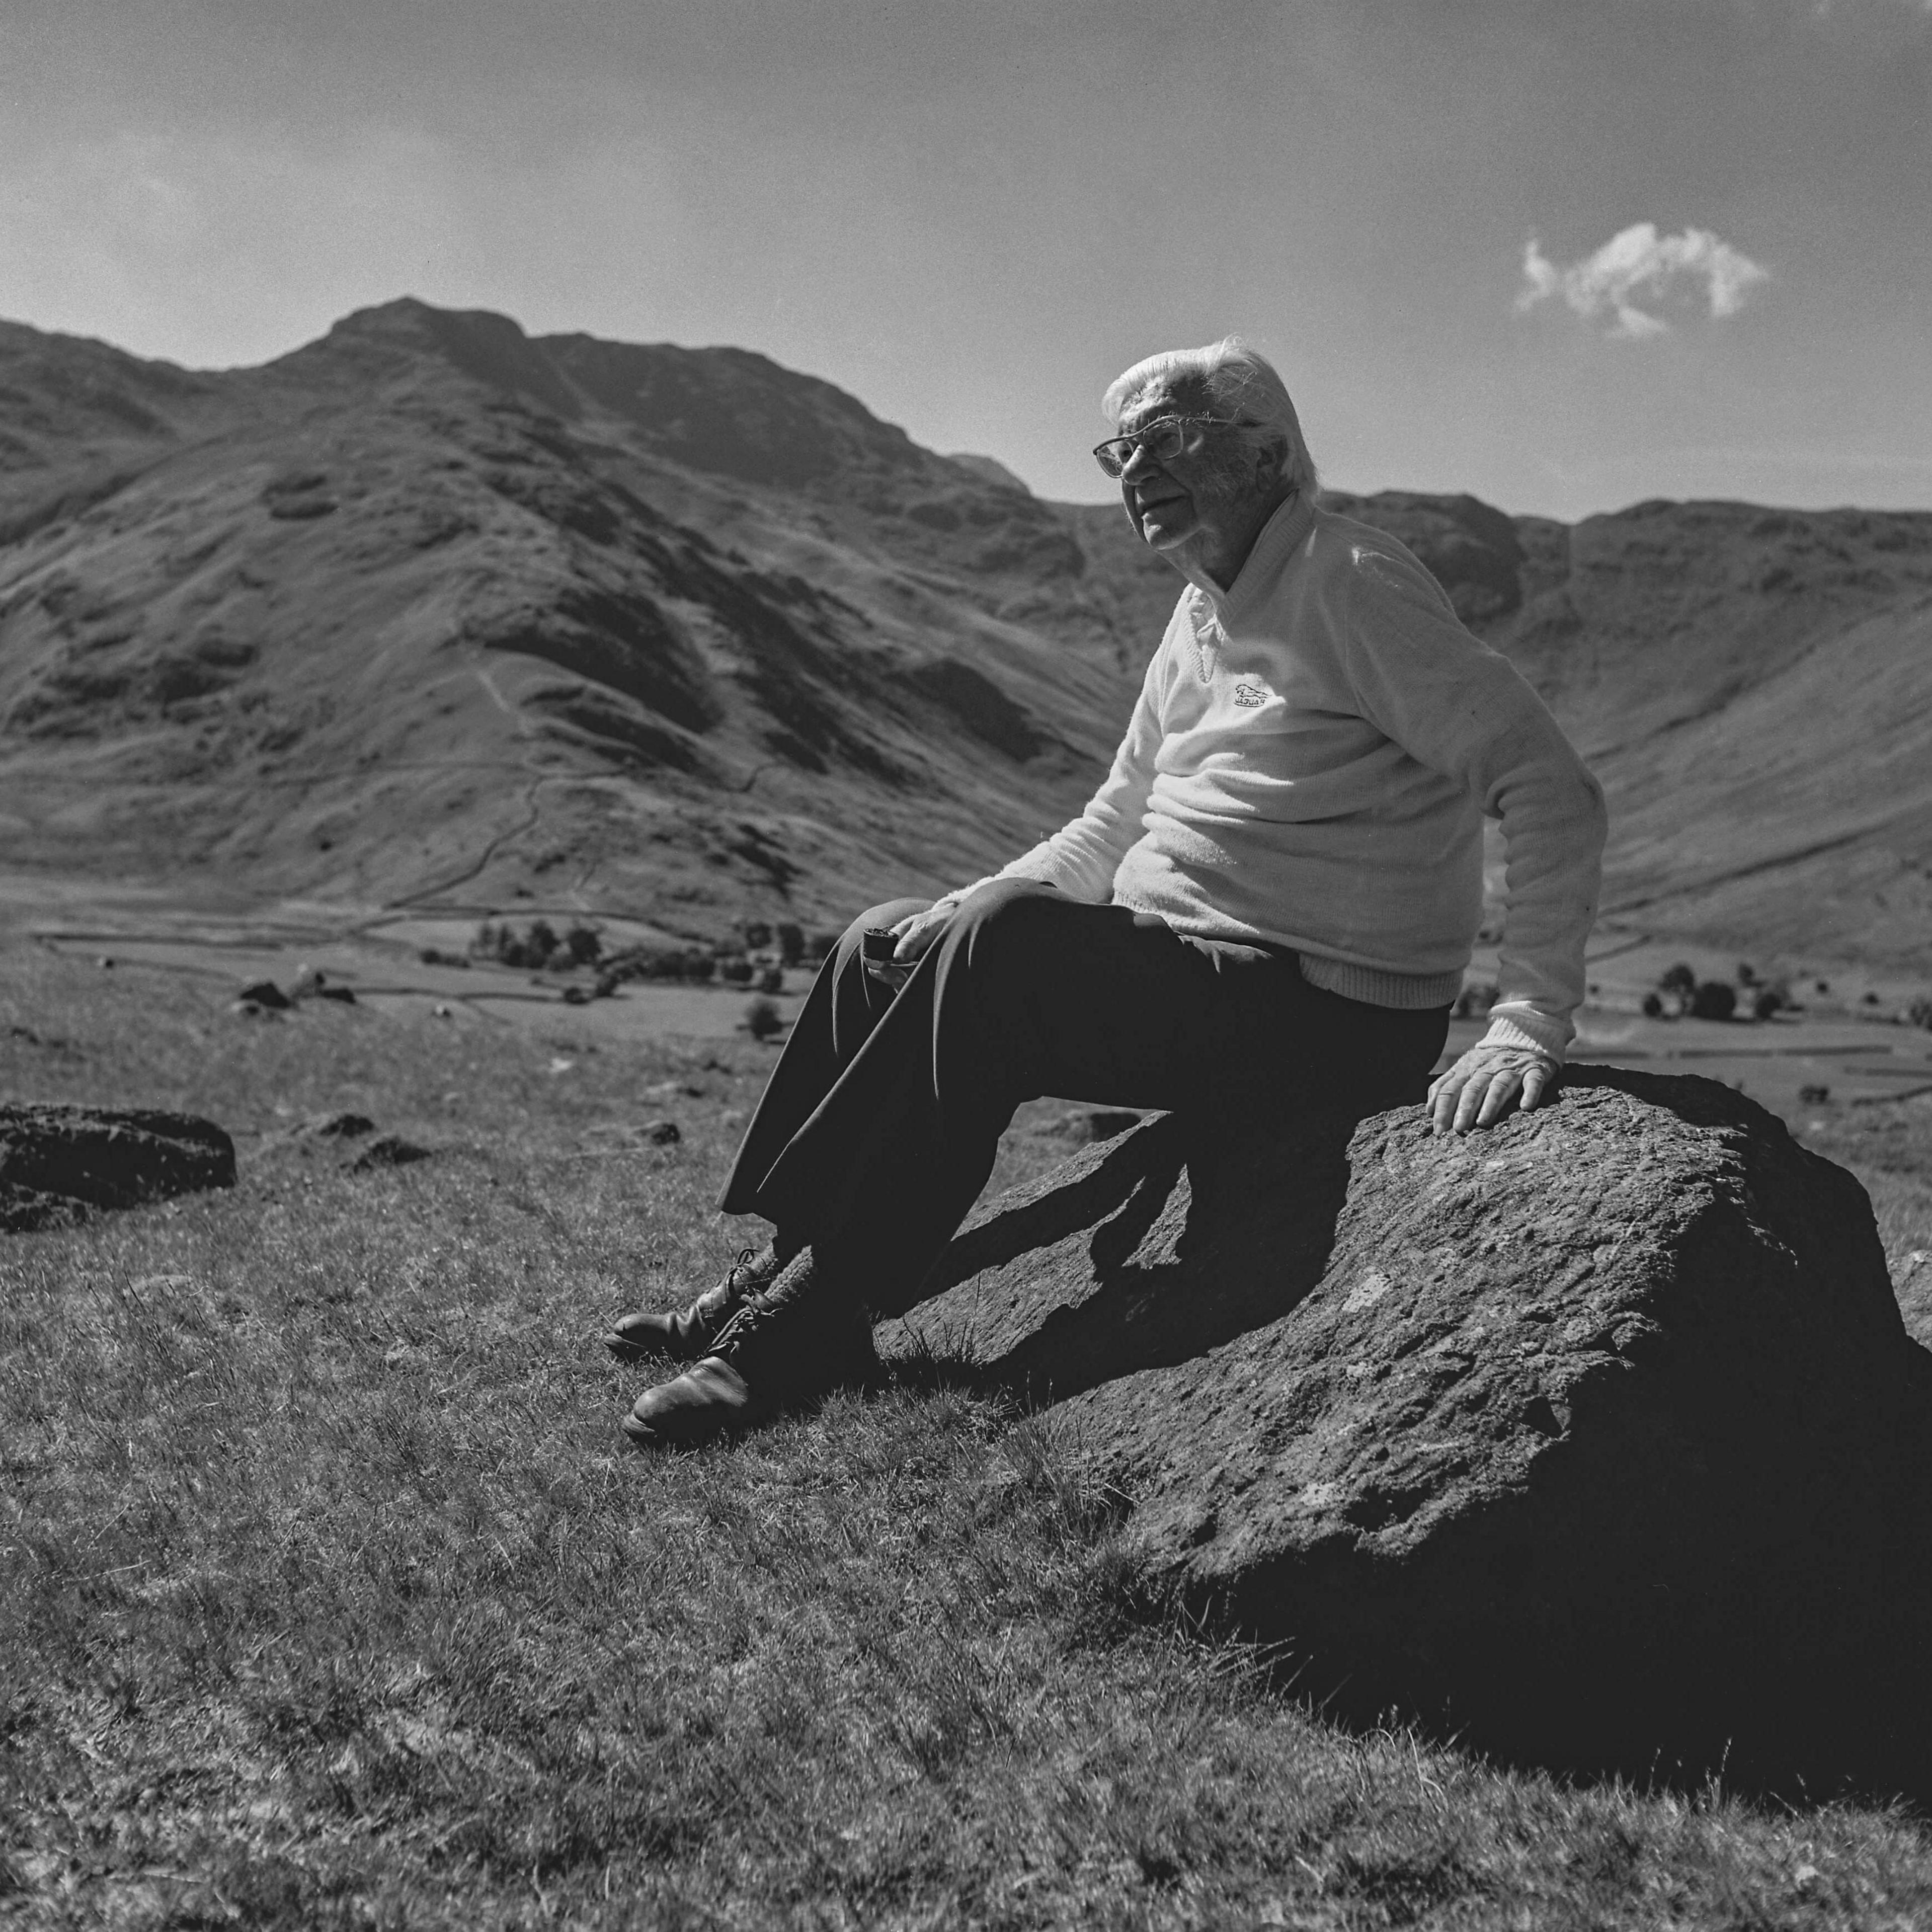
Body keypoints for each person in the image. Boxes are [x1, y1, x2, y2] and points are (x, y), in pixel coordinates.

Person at [610, 337, 1606, 1448]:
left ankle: (814, 1326)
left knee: (999, 947)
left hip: (1324, 1009)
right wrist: (961, 906)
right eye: (1119, 449)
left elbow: (1551, 788)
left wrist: (1525, 1025)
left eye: (1167, 439)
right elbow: (1112, 821)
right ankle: (781, 1267)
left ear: (1267, 452)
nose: (1135, 469)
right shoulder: (1198, 615)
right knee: (881, 938)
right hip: (1193, 971)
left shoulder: (1352, 584)